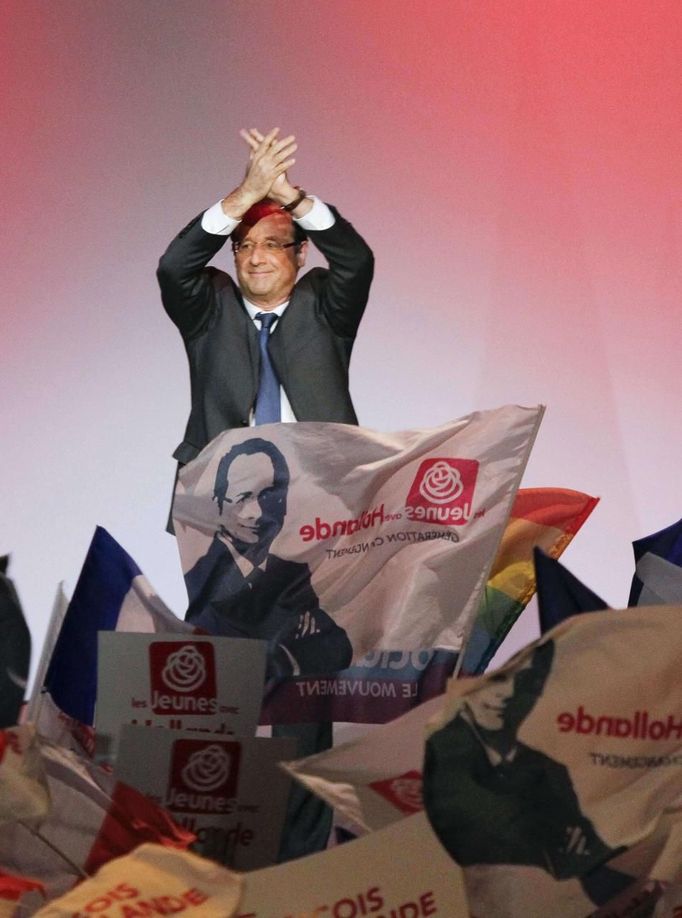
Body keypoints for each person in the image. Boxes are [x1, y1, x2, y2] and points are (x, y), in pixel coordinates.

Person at [157, 127, 374, 471]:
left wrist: (291, 197)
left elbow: (356, 261)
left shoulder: (325, 306)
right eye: (244, 245)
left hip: (321, 486)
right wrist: (245, 195)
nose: (256, 258)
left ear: (301, 253)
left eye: (272, 244)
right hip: (222, 490)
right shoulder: (210, 307)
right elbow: (174, 268)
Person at [424, 641, 634, 905]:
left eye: (529, 687)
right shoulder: (446, 752)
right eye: (502, 682)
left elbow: (586, 836)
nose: (507, 695)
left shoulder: (552, 765)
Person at [184, 437, 352, 679]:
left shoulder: (296, 573)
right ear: (219, 505)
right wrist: (285, 649)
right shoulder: (203, 579)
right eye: (242, 498)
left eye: (269, 497)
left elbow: (340, 649)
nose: (257, 513)